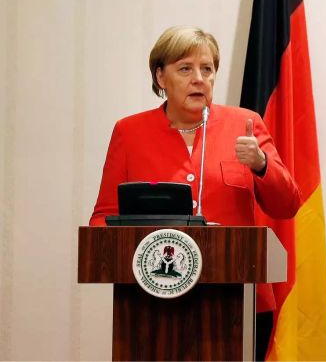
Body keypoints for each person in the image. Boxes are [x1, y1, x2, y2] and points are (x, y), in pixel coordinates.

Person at [90, 25, 302, 361]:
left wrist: (261, 164)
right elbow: (103, 220)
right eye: (185, 69)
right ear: (161, 77)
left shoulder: (245, 125)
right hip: (152, 305)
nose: (199, 78)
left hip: (241, 303)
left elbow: (288, 204)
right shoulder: (129, 132)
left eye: (207, 69)